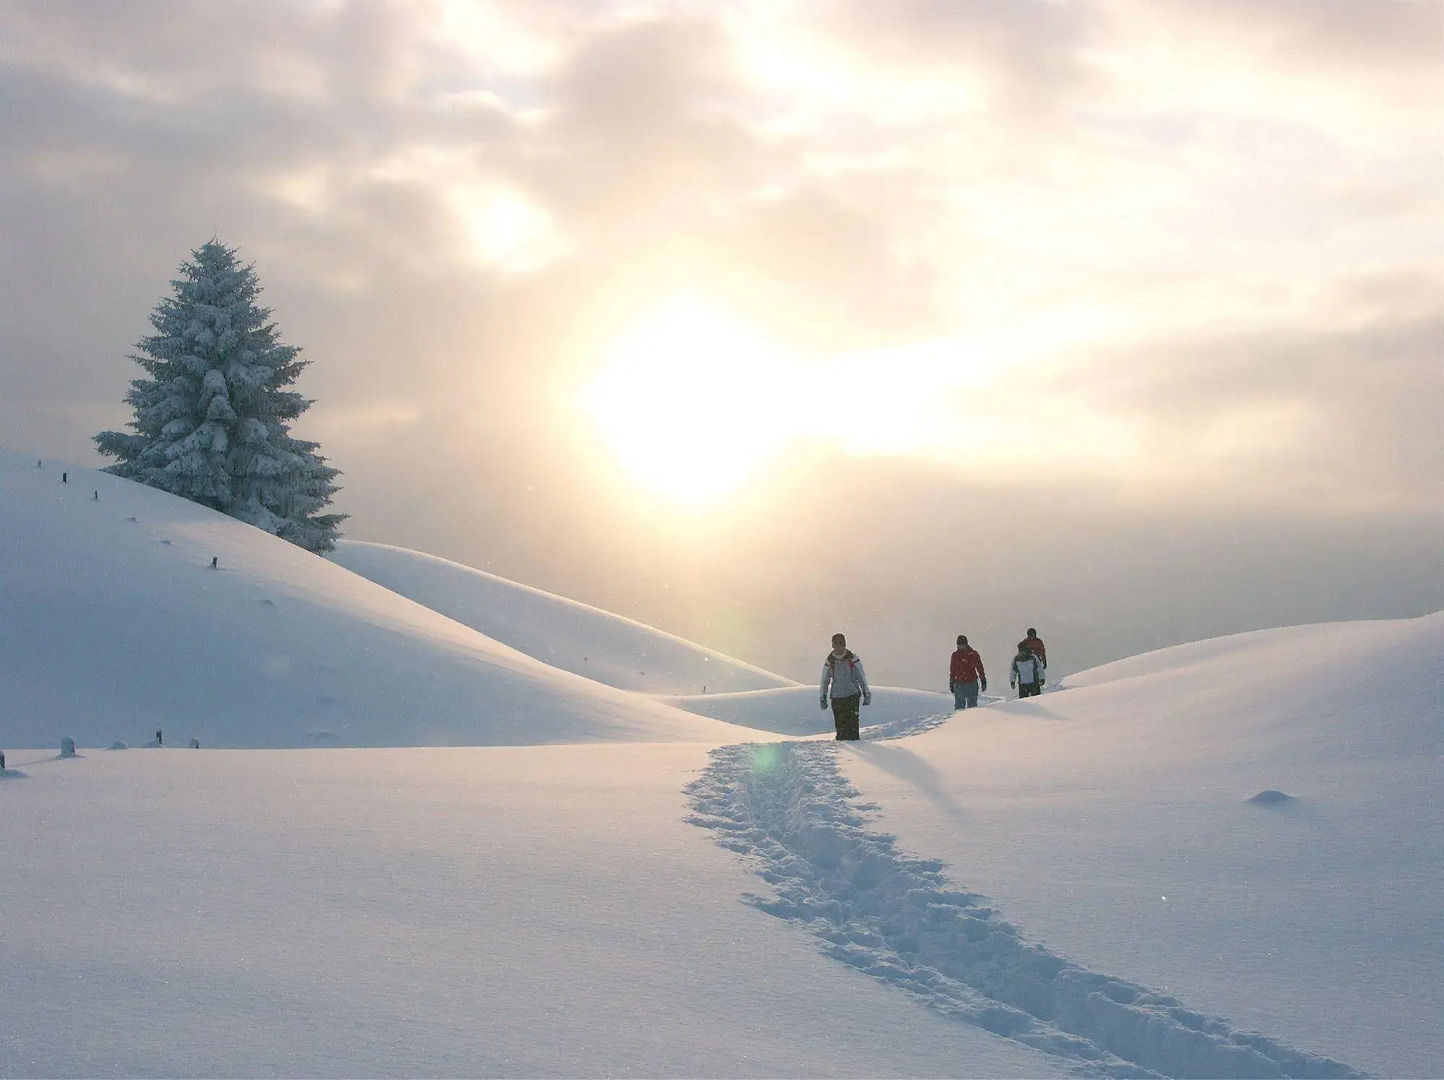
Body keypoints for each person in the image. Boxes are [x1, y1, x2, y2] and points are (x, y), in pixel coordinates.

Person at [820, 632, 870, 741]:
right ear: (832, 645)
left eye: (841, 643)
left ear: (845, 644)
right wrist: (823, 696)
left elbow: (861, 676)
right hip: (837, 698)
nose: (839, 646)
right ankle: (843, 754)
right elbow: (825, 680)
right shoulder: (830, 660)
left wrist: (866, 693)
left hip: (852, 696)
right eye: (836, 644)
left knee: (852, 729)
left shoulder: (852, 658)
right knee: (841, 730)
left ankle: (853, 752)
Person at [948, 635, 987, 709]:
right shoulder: (955, 655)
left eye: (963, 645)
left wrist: (983, 679)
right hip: (959, 683)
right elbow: (952, 670)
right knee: (959, 707)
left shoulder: (973, 654)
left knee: (972, 707)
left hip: (971, 683)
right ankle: (960, 720)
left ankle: (971, 720)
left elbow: (980, 668)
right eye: (960, 645)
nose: (961, 647)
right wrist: (951, 682)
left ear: (966, 644)